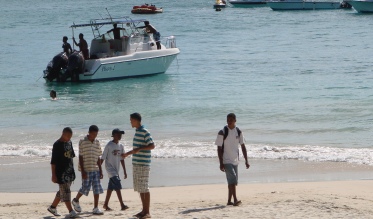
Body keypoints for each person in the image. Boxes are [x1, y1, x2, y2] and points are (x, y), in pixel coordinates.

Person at [122, 113, 155, 219]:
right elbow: (136, 149)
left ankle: (147, 212)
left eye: (131, 120)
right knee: (140, 188)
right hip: (136, 162)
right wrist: (127, 154)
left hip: (144, 163)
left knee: (144, 187)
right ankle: (143, 210)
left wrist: (140, 149)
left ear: (136, 120)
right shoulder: (137, 132)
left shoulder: (145, 131)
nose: (130, 122)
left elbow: (152, 145)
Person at [215, 113, 250, 206]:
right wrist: (221, 163)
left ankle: (229, 201)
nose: (229, 122)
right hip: (226, 160)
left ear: (235, 120)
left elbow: (243, 146)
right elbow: (218, 148)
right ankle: (235, 200)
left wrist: (246, 160)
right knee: (233, 179)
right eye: (228, 120)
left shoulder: (238, 131)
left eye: (231, 120)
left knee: (232, 182)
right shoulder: (222, 132)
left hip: (235, 160)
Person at [72, 125, 104, 215]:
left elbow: (98, 157)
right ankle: (75, 200)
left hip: (96, 169)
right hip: (86, 169)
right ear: (89, 132)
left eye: (96, 134)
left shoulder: (97, 142)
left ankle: (96, 207)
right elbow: (81, 157)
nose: (95, 136)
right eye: (93, 134)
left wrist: (101, 170)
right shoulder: (82, 141)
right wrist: (83, 171)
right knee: (85, 188)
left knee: (96, 188)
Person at [48, 127, 78, 218]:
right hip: (61, 173)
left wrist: (73, 171)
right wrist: (53, 175)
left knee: (63, 191)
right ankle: (71, 211)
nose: (69, 138)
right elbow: (53, 162)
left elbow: (71, 157)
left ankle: (52, 207)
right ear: (63, 134)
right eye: (68, 136)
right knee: (66, 191)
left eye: (71, 136)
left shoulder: (69, 142)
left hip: (69, 172)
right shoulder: (57, 145)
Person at [100, 128, 129, 211]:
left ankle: (105, 205)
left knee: (111, 187)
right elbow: (103, 158)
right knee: (117, 184)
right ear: (114, 135)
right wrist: (99, 169)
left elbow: (122, 159)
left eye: (121, 134)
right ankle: (122, 205)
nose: (120, 136)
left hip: (117, 169)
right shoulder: (109, 145)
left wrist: (125, 171)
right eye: (118, 134)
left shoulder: (121, 146)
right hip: (110, 169)